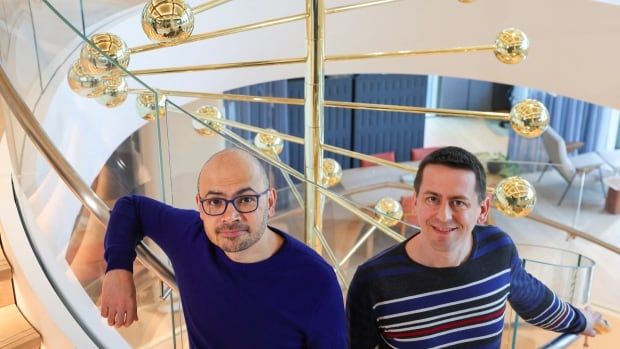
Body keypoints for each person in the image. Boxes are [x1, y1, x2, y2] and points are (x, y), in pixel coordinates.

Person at [346, 146, 603, 348]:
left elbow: (535, 301)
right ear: (416, 203)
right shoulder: (372, 279)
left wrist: (581, 322)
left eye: (458, 202)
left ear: (483, 210)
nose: (443, 215)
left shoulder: (498, 249)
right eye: (432, 199)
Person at [101, 148, 347, 349]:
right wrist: (118, 268)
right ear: (200, 206)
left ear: (270, 203)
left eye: (246, 199)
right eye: (216, 201)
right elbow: (130, 207)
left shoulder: (315, 282)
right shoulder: (190, 235)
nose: (230, 216)